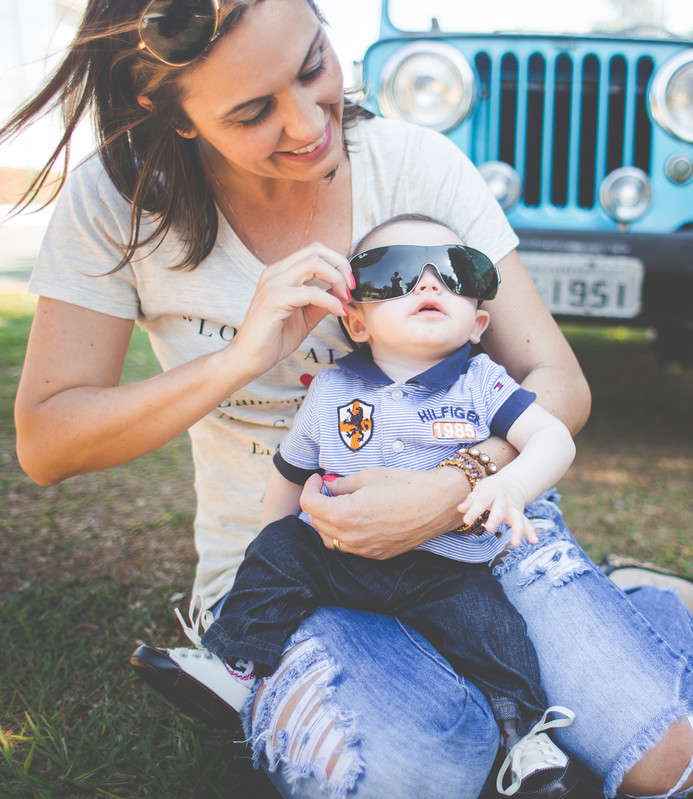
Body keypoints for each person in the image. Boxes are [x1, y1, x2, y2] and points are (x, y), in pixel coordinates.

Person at [0, 0, 693, 795]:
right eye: (253, 110)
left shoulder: (416, 165)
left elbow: (558, 383)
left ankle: (641, 603)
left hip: (485, 542)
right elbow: (47, 442)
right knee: (414, 775)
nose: (306, 125)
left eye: (312, 68)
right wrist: (240, 358)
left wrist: (451, 489)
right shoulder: (117, 203)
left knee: (659, 761)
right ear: (169, 111)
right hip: (301, 576)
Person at [169, 214, 581, 797]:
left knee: (496, 632)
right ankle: (236, 666)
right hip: (342, 557)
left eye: (456, 273)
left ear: (478, 322)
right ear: (356, 322)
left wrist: (510, 486)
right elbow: (289, 473)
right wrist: (272, 548)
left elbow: (554, 437)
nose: (429, 284)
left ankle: (526, 736)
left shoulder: (483, 384)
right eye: (395, 274)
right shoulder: (332, 390)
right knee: (283, 548)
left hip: (447, 569)